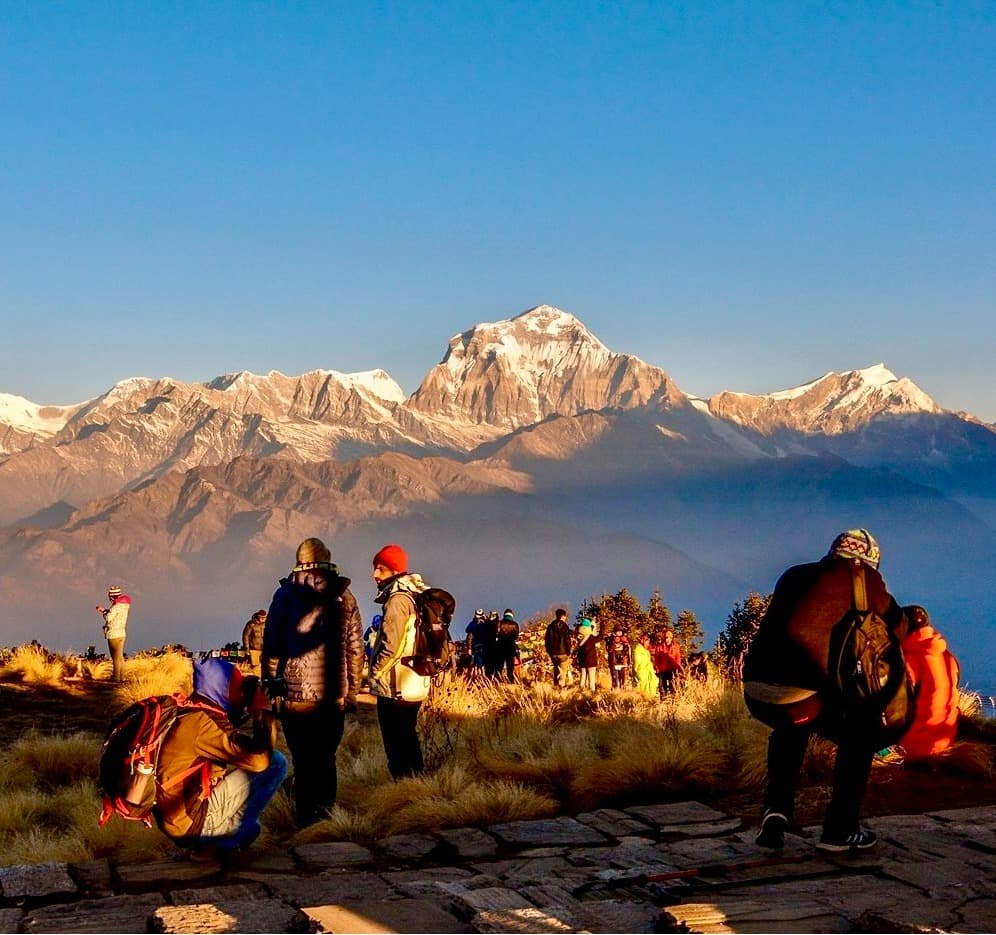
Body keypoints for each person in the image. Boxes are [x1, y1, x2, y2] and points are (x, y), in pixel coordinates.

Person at [743, 528, 908, 853]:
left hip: (757, 690)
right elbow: (896, 625)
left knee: (790, 727)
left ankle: (776, 811)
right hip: (806, 692)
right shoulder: (864, 579)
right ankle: (840, 829)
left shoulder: (794, 575)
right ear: (868, 561)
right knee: (860, 733)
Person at [262, 537, 363, 826]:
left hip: (296, 697)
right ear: (327, 560)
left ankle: (306, 822)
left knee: (304, 761)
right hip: (333, 696)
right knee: (326, 759)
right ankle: (326, 820)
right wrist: (352, 692)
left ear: (299, 561)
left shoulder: (285, 595)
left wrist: (271, 685)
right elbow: (355, 650)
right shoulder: (345, 596)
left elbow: (272, 647)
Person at [154, 657, 287, 861]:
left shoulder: (192, 711)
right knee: (276, 763)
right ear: (221, 689)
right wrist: (262, 715)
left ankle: (213, 843)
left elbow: (240, 748)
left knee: (252, 830)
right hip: (190, 821)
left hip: (178, 818)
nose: (240, 695)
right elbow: (260, 760)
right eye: (235, 688)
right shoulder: (204, 724)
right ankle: (217, 845)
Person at [368, 543, 429, 779]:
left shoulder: (397, 600)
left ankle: (404, 788)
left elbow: (392, 645)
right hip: (414, 681)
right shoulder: (415, 595)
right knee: (408, 737)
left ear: (395, 570)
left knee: (396, 744)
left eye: (381, 568)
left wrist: (375, 672)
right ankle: (417, 784)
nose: (375, 574)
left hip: (396, 685)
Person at [894, 604, 960, 762]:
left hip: (916, 745)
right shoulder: (947, 656)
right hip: (947, 737)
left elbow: (894, 705)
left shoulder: (908, 660)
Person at [96, 585, 131, 682]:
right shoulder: (124, 606)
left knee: (115, 657)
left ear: (112, 596)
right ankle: (122, 677)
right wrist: (106, 610)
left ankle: (116, 678)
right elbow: (114, 615)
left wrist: (103, 612)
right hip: (121, 633)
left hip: (113, 634)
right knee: (120, 657)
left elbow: (108, 618)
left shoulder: (116, 607)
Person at [544, 608, 573, 688]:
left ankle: (555, 685)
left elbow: (547, 640)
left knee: (556, 669)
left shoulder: (550, 627)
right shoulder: (565, 627)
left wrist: (548, 651)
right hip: (563, 653)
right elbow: (567, 640)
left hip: (553, 653)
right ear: (563, 616)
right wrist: (568, 651)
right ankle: (561, 686)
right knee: (563, 671)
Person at [651, 629, 683, 697]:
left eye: (668, 638)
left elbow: (678, 658)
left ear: (671, 638)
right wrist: (657, 668)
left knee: (673, 686)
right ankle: (663, 699)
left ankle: (673, 699)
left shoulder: (676, 646)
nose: (666, 639)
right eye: (665, 637)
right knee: (662, 687)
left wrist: (678, 668)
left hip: (672, 669)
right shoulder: (659, 646)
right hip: (663, 669)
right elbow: (656, 659)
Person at [495, 609, 521, 682]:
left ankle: (498, 680)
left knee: (499, 665)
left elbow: (496, 634)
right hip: (510, 647)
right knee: (510, 666)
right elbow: (516, 637)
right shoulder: (515, 624)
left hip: (500, 646)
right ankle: (511, 680)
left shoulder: (499, 623)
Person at [574, 618, 599, 690]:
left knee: (583, 676)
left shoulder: (579, 637)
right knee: (591, 677)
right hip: (591, 661)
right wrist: (602, 627)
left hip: (582, 661)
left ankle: (581, 689)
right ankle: (592, 690)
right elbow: (600, 637)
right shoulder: (590, 637)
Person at [241, 609, 267, 676]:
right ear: (258, 617)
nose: (263, 619)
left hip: (265, 649)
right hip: (254, 649)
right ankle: (257, 678)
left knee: (266, 665)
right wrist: (247, 648)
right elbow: (245, 636)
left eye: (264, 618)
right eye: (262, 617)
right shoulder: (251, 624)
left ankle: (263, 679)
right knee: (255, 666)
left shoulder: (267, 624)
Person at [465, 608, 488, 676]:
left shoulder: (485, 623)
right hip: (477, 645)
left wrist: (485, 621)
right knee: (478, 662)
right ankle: (479, 676)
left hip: (483, 645)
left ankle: (481, 676)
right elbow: (468, 631)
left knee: (481, 662)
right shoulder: (474, 623)